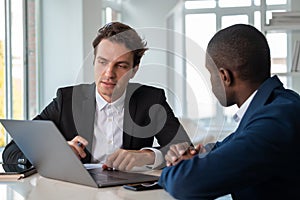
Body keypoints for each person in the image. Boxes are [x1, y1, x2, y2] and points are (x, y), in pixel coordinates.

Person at [3, 22, 191, 171]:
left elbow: (185, 149)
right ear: (94, 62)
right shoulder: (66, 100)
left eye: (121, 66)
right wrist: (55, 152)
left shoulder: (150, 99)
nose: (109, 73)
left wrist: (148, 155)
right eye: (103, 62)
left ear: (134, 70)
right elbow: (11, 153)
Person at [158, 24, 300, 199]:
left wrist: (172, 169)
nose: (210, 82)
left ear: (225, 76)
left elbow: (183, 184)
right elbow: (225, 147)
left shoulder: (275, 121)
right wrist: (193, 154)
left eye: (210, 73)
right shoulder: (277, 105)